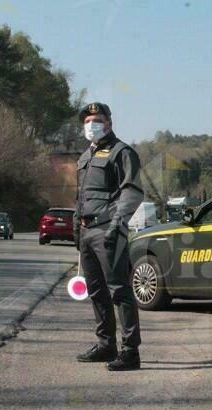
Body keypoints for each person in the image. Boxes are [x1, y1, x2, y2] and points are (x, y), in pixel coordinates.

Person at [73, 102, 144, 371]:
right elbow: (82, 196)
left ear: (109, 123)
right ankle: (106, 345)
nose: (92, 125)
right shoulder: (85, 156)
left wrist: (116, 225)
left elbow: (133, 192)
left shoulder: (122, 152)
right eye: (88, 120)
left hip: (109, 230)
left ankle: (130, 351)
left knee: (119, 291)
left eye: (97, 120)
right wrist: (75, 227)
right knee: (96, 291)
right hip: (87, 231)